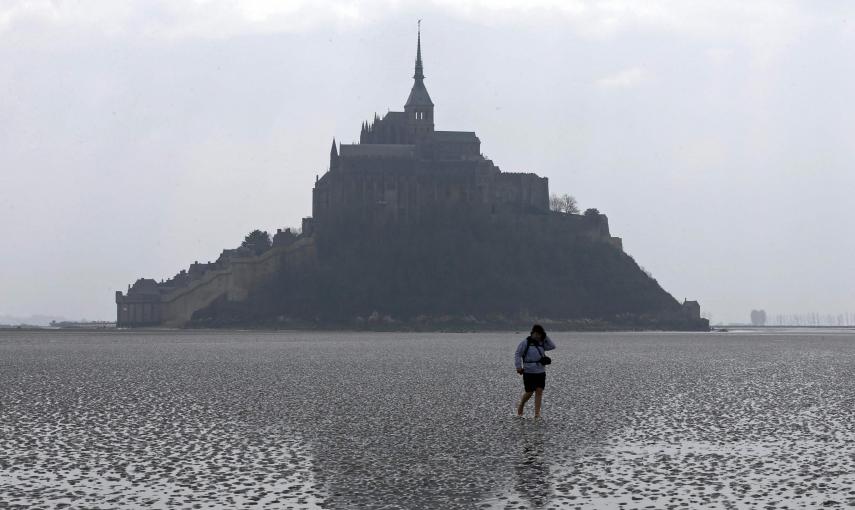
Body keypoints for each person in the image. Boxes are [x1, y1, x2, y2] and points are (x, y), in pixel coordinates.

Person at [514, 324, 555, 418]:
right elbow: (517, 354)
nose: (537, 336)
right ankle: (521, 404)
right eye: (536, 334)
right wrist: (518, 366)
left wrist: (545, 336)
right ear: (532, 333)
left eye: (539, 334)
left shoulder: (542, 343)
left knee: (539, 391)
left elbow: (552, 346)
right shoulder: (525, 342)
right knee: (529, 391)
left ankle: (537, 413)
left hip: (540, 370)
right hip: (529, 371)